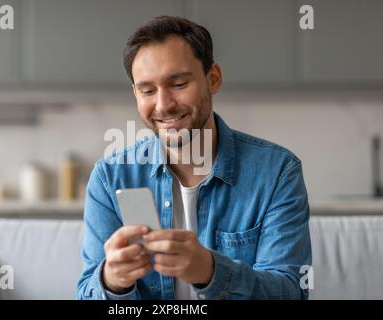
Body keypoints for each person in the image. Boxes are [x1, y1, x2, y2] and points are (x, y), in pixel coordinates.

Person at [77, 16, 311, 300]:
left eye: (178, 83)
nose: (163, 105)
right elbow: (87, 292)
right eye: (148, 90)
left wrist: (212, 272)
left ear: (213, 79)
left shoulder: (276, 172)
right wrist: (112, 282)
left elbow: (291, 292)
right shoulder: (110, 177)